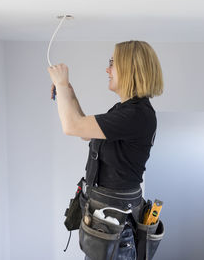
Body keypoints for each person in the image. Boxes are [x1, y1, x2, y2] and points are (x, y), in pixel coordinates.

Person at [47, 40, 163, 260]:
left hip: (115, 231)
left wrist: (61, 85)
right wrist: (67, 92)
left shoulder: (137, 115)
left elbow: (72, 126)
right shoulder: (126, 110)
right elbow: (84, 130)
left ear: (130, 68)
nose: (107, 69)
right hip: (106, 227)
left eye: (113, 63)